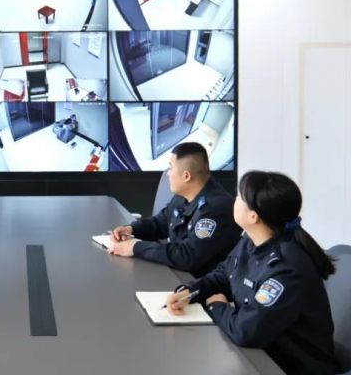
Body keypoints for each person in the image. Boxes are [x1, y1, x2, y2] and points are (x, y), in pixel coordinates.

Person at [165, 171, 338, 375]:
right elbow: (224, 275)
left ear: (253, 216)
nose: (234, 199)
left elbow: (246, 331)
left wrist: (216, 306)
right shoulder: (251, 240)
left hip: (288, 367)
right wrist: (190, 292)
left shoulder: (287, 269)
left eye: (240, 197)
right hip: (260, 356)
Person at [109, 142, 242, 277]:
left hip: (197, 283)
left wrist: (135, 247)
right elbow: (159, 224)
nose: (168, 173)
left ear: (186, 176)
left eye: (171, 168)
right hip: (176, 273)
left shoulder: (216, 209)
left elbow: (187, 256)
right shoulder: (184, 196)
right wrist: (132, 229)